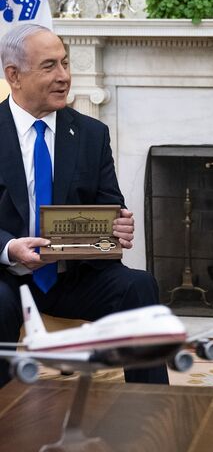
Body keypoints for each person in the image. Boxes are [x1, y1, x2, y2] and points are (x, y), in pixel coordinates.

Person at [0, 24, 168, 387]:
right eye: (49, 66)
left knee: (140, 286)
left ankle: (153, 410)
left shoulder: (91, 133)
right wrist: (9, 247)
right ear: (14, 75)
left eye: (65, 63)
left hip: (73, 276)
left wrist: (117, 226)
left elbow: (110, 206)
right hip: (7, 277)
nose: (64, 77)